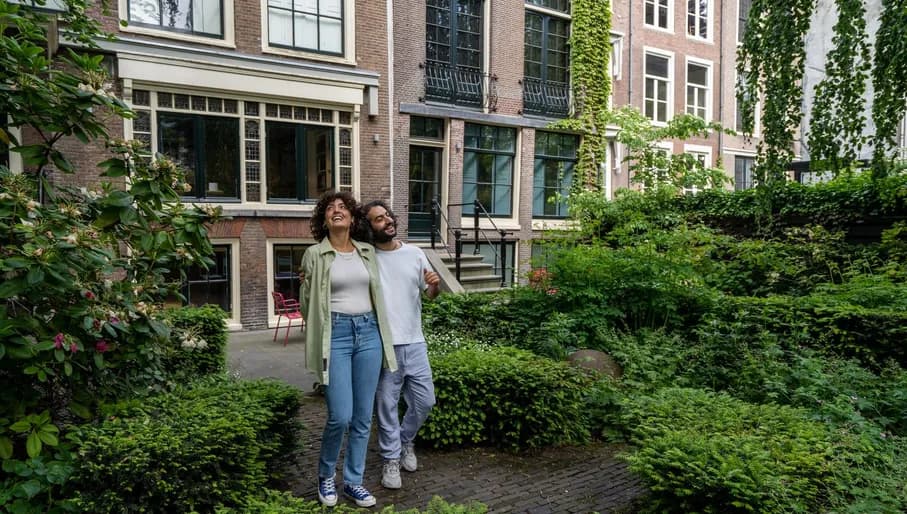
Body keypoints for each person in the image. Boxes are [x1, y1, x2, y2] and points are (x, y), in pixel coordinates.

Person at [299, 191, 397, 508]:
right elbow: (307, 305)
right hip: (336, 334)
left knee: (361, 417)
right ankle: (326, 475)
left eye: (343, 207)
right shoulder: (314, 254)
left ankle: (353, 481)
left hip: (369, 333)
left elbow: (391, 269)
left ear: (353, 218)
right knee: (339, 416)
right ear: (324, 220)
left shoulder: (367, 251)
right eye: (330, 209)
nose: (337, 211)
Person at [359, 200, 441, 490]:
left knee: (425, 401)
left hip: (415, 341)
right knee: (386, 405)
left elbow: (430, 294)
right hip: (384, 344)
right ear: (369, 227)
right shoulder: (366, 257)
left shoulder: (415, 253)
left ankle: (406, 440)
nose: (387, 221)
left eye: (388, 216)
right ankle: (391, 459)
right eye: (379, 219)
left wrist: (434, 285)